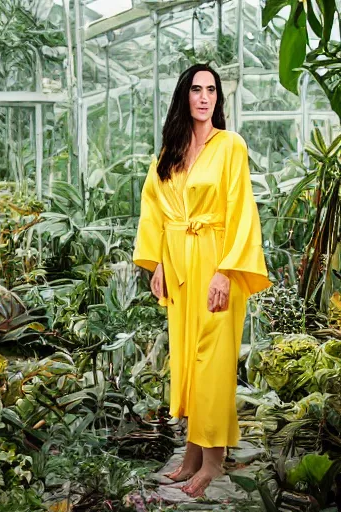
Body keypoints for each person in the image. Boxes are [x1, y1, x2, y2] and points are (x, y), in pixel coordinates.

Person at [133, 64, 270, 497]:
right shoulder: (170, 153)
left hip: (215, 260)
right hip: (179, 266)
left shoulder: (230, 145)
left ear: (218, 99)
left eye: (212, 90)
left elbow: (242, 211)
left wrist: (227, 272)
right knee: (189, 359)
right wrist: (156, 264)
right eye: (197, 89)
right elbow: (153, 207)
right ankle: (192, 452)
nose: (205, 97)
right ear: (184, 96)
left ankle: (213, 462)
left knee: (213, 361)